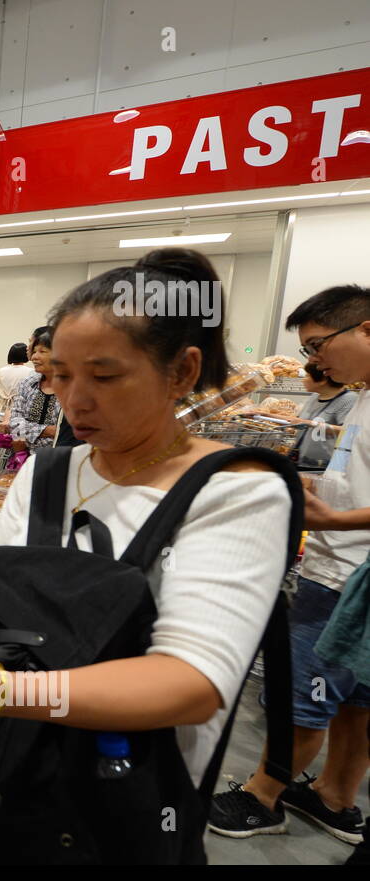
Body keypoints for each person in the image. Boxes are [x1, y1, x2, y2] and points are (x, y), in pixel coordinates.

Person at [0, 248, 295, 863]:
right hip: (1, 790)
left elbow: (190, 682)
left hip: (118, 816)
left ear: (181, 372)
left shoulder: (236, 491)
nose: (75, 400)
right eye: (60, 375)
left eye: (105, 375)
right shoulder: (47, 473)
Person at [209, 285, 370, 848]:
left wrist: (335, 522)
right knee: (355, 699)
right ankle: (335, 797)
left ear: (366, 329)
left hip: (348, 577)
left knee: (304, 692)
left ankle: (261, 798)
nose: (313, 361)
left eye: (319, 344)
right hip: (344, 565)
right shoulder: (363, 396)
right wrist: (315, 488)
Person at [266, 362, 357, 470]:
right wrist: (264, 414)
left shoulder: (348, 400)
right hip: (300, 461)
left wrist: (310, 424)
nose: (303, 379)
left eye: (308, 376)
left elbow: (348, 431)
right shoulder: (314, 397)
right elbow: (298, 421)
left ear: (323, 380)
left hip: (323, 467)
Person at [7, 329, 60, 452]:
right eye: (34, 351)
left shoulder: (70, 389)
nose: (34, 356)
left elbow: (64, 434)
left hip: (58, 460)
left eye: (42, 351)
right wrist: (47, 431)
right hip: (26, 458)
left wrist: (28, 434)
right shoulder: (28, 383)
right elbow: (15, 422)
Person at [0, 342, 35, 414]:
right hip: (20, 408)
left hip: (1, 408)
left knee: (0, 423)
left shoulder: (1, 370)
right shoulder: (31, 372)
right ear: (25, 355)